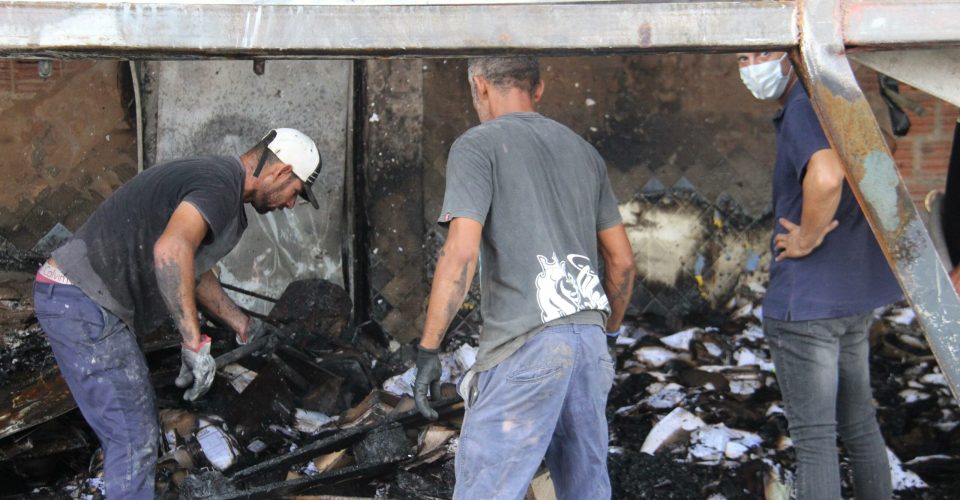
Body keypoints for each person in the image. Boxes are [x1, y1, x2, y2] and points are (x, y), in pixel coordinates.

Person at [33, 128, 322, 499]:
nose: (290, 204)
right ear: (281, 172)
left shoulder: (219, 181)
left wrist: (243, 325)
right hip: (81, 299)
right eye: (296, 193)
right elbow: (171, 250)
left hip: (84, 298)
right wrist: (193, 343)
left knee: (134, 430)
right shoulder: (219, 185)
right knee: (133, 435)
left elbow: (193, 271)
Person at [412, 56, 636, 500]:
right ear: (539, 89)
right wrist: (605, 335)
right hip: (588, 343)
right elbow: (623, 263)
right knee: (587, 488)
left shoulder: (477, 145)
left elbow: (459, 255)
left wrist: (428, 350)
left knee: (488, 489)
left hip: (526, 345)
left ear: (479, 86)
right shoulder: (583, 152)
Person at [737, 51, 903, 499]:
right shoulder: (839, 103)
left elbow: (826, 176)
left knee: (814, 441)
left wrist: (808, 237)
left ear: (793, 52)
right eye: (743, 55)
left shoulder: (803, 107)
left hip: (806, 304)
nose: (751, 63)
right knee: (860, 427)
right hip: (852, 297)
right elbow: (887, 147)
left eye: (762, 52)